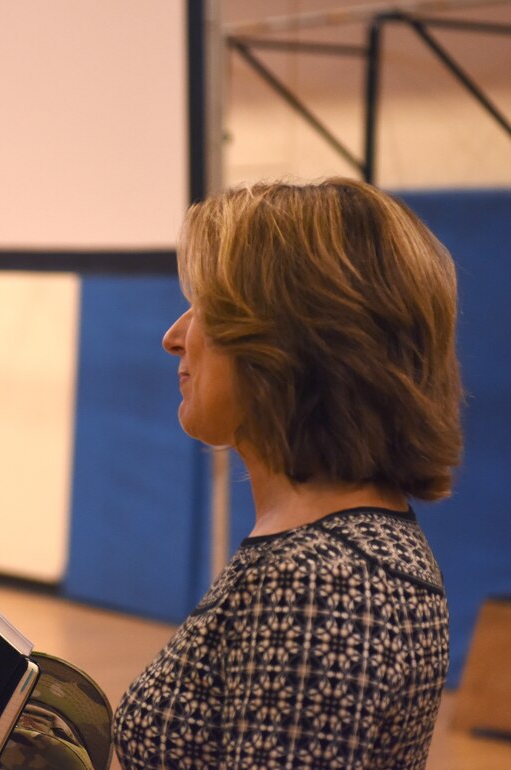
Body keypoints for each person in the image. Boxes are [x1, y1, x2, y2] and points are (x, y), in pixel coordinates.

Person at [113, 178, 462, 770]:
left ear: (284, 342)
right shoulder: (339, 547)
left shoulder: (319, 581)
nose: (175, 338)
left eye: (205, 309)